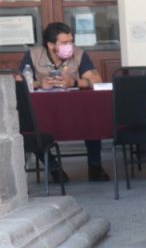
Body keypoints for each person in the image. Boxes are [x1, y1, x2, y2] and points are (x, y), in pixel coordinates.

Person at [19, 22, 109, 182]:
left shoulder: (80, 54)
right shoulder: (33, 55)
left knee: (92, 119)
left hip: (75, 108)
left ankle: (95, 166)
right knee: (29, 127)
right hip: (43, 109)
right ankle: (54, 168)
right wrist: (40, 84)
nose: (70, 46)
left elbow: (95, 79)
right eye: (65, 43)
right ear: (51, 45)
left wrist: (74, 82)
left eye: (71, 41)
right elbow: (19, 80)